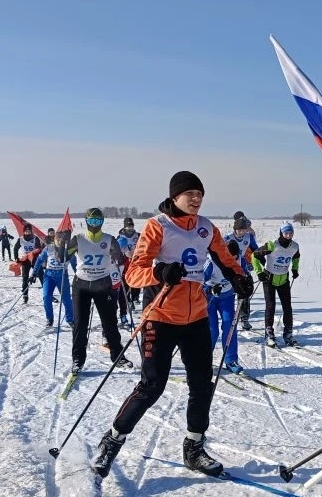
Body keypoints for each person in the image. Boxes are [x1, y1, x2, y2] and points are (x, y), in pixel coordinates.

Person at [91, 171, 253, 479]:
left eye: (200, 194)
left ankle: (194, 448)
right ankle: (111, 441)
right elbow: (133, 274)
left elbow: (226, 260)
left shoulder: (207, 228)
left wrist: (239, 278)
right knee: (152, 386)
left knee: (202, 384)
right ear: (175, 196)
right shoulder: (158, 226)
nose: (196, 198)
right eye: (190, 193)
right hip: (161, 316)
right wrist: (160, 272)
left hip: (196, 318)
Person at [66, 208, 132, 375]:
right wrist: (63, 244)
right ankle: (77, 360)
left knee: (110, 323)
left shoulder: (109, 239)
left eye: (97, 221)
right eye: (91, 221)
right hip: (81, 285)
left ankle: (118, 356)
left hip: (102, 284)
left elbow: (120, 259)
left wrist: (116, 255)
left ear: (102, 222)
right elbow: (63, 257)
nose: (94, 224)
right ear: (87, 221)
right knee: (80, 324)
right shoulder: (78, 238)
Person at [252, 222, 301, 347]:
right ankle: (269, 334)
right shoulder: (272, 245)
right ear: (281, 233)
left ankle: (288, 334)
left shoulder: (295, 246)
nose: (288, 235)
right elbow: (255, 255)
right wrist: (259, 272)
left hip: (284, 279)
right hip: (269, 279)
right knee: (270, 306)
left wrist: (295, 269)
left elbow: (296, 257)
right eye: (286, 233)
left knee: (287, 307)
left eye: (291, 233)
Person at [203, 239, 245, 373]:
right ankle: (204, 360)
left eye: (235, 257)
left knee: (230, 326)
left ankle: (231, 360)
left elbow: (244, 276)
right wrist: (209, 289)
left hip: (227, 297)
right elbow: (198, 283)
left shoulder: (239, 260)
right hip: (209, 299)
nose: (232, 261)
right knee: (212, 330)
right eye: (230, 258)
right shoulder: (211, 263)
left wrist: (245, 286)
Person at [31, 230, 75, 327]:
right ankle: (49, 318)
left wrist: (78, 275)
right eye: (57, 238)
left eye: (61, 239)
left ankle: (70, 319)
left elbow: (75, 264)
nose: (59, 241)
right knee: (46, 296)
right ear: (54, 239)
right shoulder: (49, 248)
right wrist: (34, 273)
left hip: (62, 275)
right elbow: (39, 260)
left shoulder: (68, 250)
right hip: (49, 275)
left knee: (66, 298)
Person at [224, 214, 258, 330]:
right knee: (230, 293)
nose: (242, 232)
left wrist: (257, 260)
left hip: (243, 266)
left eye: (244, 230)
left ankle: (244, 318)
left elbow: (255, 250)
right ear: (235, 229)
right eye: (239, 230)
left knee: (245, 292)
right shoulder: (227, 238)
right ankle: (232, 318)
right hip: (230, 268)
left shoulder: (249, 237)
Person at [116, 217, 142, 322]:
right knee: (125, 283)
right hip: (125, 263)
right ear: (124, 227)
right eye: (128, 226)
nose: (130, 228)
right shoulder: (120, 237)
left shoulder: (138, 235)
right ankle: (127, 302)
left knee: (136, 281)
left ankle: (135, 297)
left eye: (132, 226)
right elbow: (117, 250)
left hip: (136, 261)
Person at [12, 224, 44, 304]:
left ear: (31, 231)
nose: (27, 233)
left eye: (29, 231)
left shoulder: (35, 238)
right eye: (26, 231)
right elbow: (15, 248)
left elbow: (38, 248)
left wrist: (34, 253)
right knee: (25, 277)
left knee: (41, 275)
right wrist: (16, 258)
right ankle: (25, 295)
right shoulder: (21, 239)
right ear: (24, 232)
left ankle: (47, 292)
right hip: (25, 260)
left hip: (34, 259)